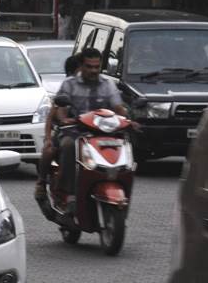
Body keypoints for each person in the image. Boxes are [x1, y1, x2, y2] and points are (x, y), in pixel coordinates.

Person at [54, 49, 135, 209]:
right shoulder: (69, 84)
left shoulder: (108, 84)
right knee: (68, 146)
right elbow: (60, 110)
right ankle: (70, 194)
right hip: (75, 132)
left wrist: (128, 119)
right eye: (89, 66)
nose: (93, 71)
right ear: (81, 66)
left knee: (126, 146)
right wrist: (64, 119)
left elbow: (118, 107)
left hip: (103, 133)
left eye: (96, 67)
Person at [35, 53, 82, 199]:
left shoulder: (100, 86)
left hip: (87, 134)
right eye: (84, 68)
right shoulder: (67, 86)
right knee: (50, 150)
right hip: (66, 132)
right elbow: (52, 115)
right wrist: (48, 137)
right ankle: (41, 183)